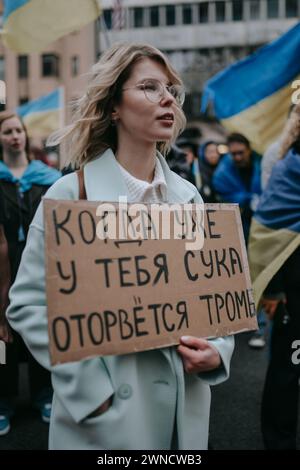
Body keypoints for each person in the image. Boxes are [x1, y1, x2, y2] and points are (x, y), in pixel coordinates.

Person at [6, 43, 234, 450]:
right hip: (108, 425)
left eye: (170, 89)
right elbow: (27, 304)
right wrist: (91, 394)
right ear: (113, 106)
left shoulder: (189, 198)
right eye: (149, 87)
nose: (167, 98)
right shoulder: (69, 196)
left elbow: (214, 296)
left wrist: (218, 352)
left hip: (184, 415)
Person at [0, 111, 61, 435]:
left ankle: (45, 393)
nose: (14, 136)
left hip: (39, 262)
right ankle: (3, 401)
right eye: (7, 131)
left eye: (18, 130)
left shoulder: (47, 178)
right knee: (2, 336)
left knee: (42, 324)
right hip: (2, 265)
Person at [249, 103, 300, 449]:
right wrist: (274, 292)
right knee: (287, 367)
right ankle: (279, 442)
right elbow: (267, 226)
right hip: (293, 290)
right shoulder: (289, 165)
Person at [212, 133, 265, 348]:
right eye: (233, 153)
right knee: (242, 275)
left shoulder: (260, 163)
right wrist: (249, 199)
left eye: (240, 152)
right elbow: (222, 189)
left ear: (249, 150)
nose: (237, 157)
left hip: (261, 225)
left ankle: (259, 325)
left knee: (261, 273)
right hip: (239, 229)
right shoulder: (223, 173)